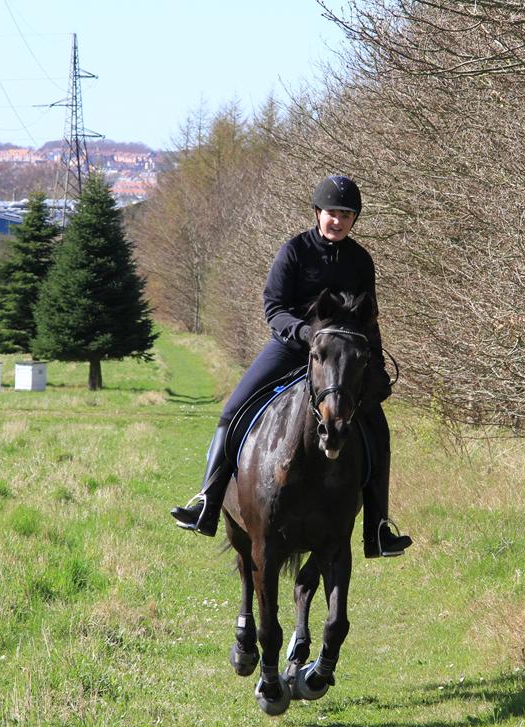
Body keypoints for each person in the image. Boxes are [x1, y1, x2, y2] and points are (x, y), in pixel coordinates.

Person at [170, 174, 413, 559]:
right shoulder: (295, 251)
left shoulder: (360, 260)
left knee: (377, 428)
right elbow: (273, 308)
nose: (338, 221)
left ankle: (378, 528)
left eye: (346, 215)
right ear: (318, 214)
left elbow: (368, 321)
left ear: (354, 220)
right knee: (233, 410)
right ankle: (208, 501)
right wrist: (303, 334)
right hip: (291, 347)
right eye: (332, 213)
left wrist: (377, 366)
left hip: (342, 359)